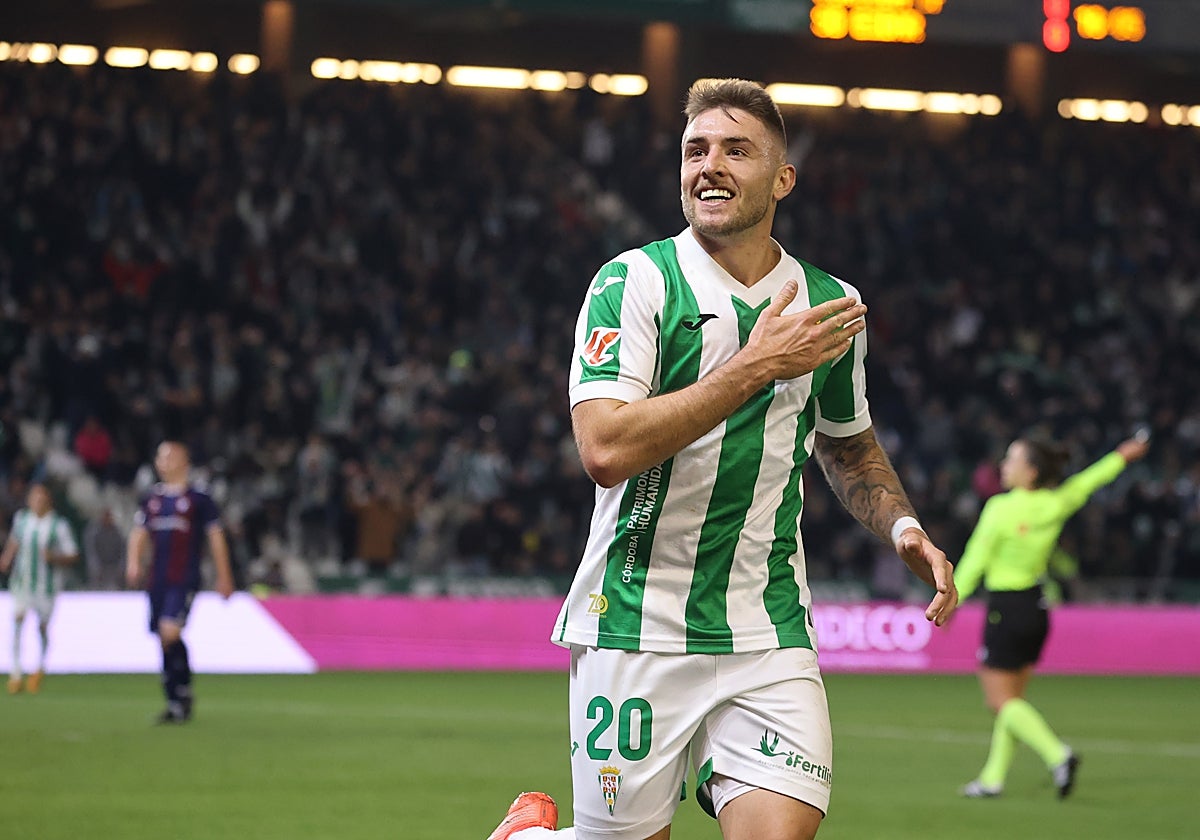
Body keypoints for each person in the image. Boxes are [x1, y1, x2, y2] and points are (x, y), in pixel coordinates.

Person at [486, 77, 958, 840]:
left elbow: (846, 440)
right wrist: (754, 366)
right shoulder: (632, 283)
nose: (710, 165)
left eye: (737, 150)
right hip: (636, 617)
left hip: (765, 626)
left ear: (782, 179)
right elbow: (604, 449)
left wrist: (903, 527)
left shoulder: (830, 304)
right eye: (695, 149)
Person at [954, 430, 1150, 800]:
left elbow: (975, 558)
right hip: (1037, 610)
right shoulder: (1055, 504)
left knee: (1001, 701)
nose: (1003, 466)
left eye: (1012, 459)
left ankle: (1058, 755)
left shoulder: (1000, 508)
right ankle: (992, 779)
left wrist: (952, 598)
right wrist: (1122, 455)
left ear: (1030, 472)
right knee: (1013, 702)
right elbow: (1089, 482)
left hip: (1006, 610)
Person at [125, 441, 234, 723]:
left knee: (169, 631)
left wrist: (224, 576)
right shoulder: (151, 499)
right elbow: (139, 533)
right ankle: (176, 699)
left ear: (184, 461)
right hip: (157, 578)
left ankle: (181, 688)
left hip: (184, 577)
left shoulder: (199, 499)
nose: (163, 462)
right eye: (160, 457)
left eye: (169, 456)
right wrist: (134, 562)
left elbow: (215, 538)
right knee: (163, 638)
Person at [1, 482, 79, 694]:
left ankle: (39, 668)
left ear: (48, 500)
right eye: (34, 497)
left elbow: (73, 554)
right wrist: (7, 559)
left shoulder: (58, 525)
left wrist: (54, 557)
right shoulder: (22, 519)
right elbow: (14, 542)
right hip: (22, 583)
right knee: (17, 620)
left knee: (42, 628)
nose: (37, 502)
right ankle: (15, 673)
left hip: (47, 588)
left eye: (41, 498)